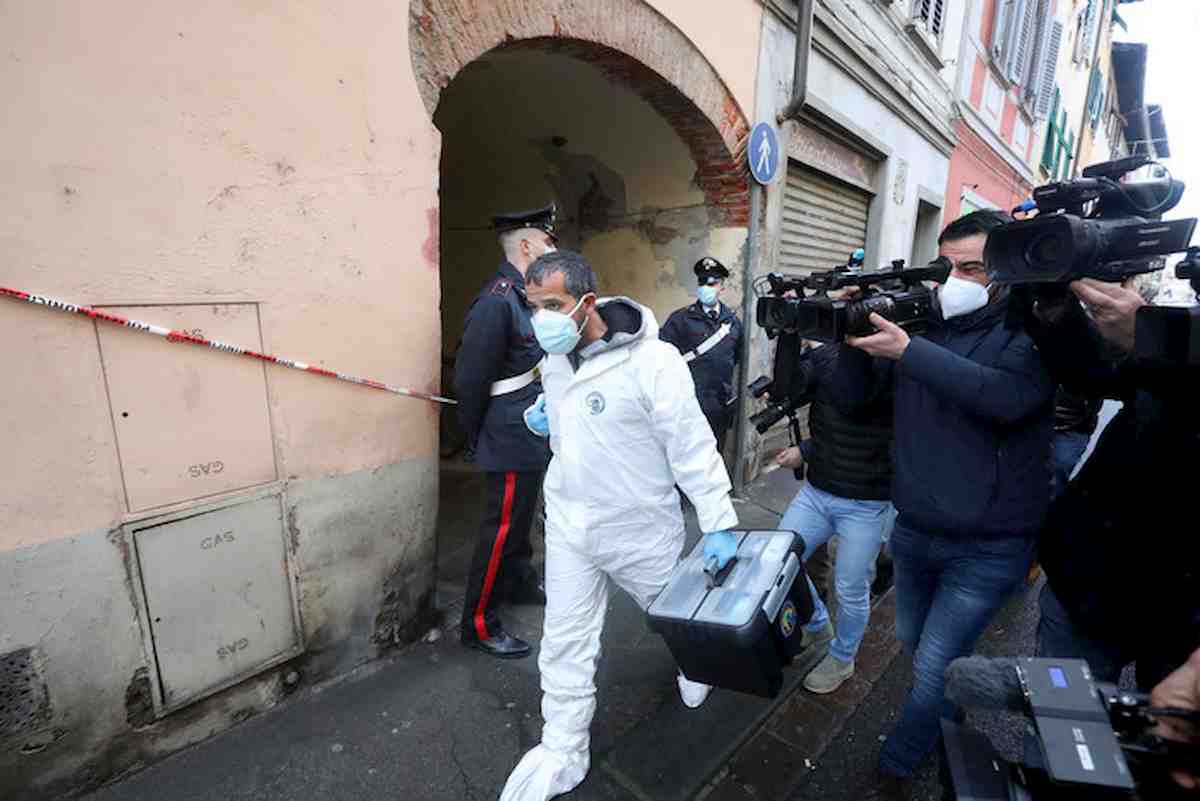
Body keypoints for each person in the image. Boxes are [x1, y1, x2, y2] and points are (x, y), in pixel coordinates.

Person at [499, 249, 738, 801]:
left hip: (640, 528)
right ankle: (562, 748)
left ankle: (695, 666)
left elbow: (691, 444)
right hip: (569, 524)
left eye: (553, 305)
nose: (542, 319)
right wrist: (545, 422)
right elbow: (571, 431)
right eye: (533, 306)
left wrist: (718, 520)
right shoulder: (555, 360)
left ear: (587, 302)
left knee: (673, 618)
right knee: (564, 640)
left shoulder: (653, 362)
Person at [835, 210, 1056, 796]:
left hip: (986, 545)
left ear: (1004, 274)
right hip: (914, 532)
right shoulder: (922, 325)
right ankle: (944, 716)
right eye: (945, 266)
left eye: (972, 268)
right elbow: (858, 402)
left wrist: (909, 351)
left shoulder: (1030, 331)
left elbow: (1005, 398)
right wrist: (853, 340)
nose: (953, 279)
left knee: (935, 664)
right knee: (916, 645)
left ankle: (900, 762)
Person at [1024, 277, 1200, 692]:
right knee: (1061, 737)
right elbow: (1096, 375)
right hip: (1088, 581)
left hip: (1184, 621)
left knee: (1158, 744)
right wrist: (1055, 308)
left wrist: (1154, 338)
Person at [453, 204, 556, 660]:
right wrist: (477, 439)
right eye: (550, 243)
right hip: (508, 435)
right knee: (500, 532)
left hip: (529, 433)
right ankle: (478, 623)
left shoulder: (523, 296)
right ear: (528, 245)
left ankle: (517, 584)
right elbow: (470, 380)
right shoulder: (497, 300)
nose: (555, 251)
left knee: (521, 526)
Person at [770, 339, 895, 695]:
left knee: (851, 586)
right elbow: (788, 393)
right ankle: (817, 624)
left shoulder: (900, 360)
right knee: (779, 561)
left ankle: (842, 658)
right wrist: (791, 333)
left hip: (867, 504)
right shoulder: (826, 355)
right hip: (817, 493)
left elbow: (867, 412)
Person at [659, 257, 744, 453]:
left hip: (718, 407)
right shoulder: (680, 319)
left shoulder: (732, 322)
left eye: (712, 283)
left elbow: (734, 358)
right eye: (702, 282)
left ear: (722, 286)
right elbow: (661, 358)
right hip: (687, 405)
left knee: (714, 454)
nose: (706, 287)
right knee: (685, 455)